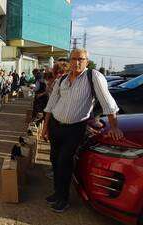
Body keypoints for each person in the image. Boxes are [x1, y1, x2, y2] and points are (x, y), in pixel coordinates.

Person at [41, 48, 124, 213]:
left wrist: (114, 126)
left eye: (81, 59)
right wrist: (45, 127)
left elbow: (107, 102)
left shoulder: (93, 76)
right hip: (55, 126)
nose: (77, 62)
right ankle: (57, 193)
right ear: (69, 61)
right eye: (74, 59)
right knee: (55, 160)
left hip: (75, 129)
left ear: (87, 61)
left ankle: (63, 199)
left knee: (65, 162)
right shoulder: (63, 79)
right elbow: (51, 105)